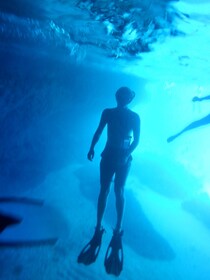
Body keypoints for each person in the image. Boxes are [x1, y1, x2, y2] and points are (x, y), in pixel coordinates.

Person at [78, 87, 140, 276]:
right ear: (119, 97)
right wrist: (91, 147)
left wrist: (125, 155)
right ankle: (107, 228)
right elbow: (99, 131)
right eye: (121, 96)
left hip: (119, 156)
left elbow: (136, 141)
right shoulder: (114, 113)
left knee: (113, 191)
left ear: (129, 98)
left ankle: (108, 229)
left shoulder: (130, 116)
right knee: (109, 190)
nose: (122, 99)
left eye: (125, 96)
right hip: (115, 156)